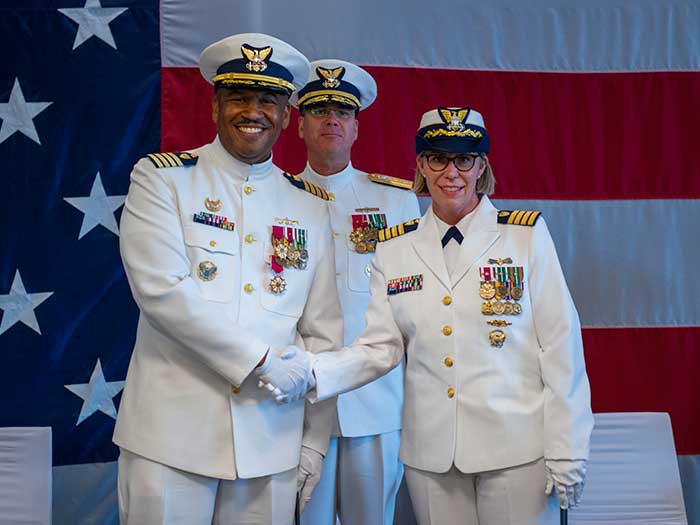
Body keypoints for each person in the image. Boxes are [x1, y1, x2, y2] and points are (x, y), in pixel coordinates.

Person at [264, 105, 594, 524]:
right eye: (437, 158)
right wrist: (313, 370)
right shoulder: (395, 247)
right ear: (421, 164)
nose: (450, 173)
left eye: (464, 159)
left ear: (482, 166)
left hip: (517, 450)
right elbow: (380, 348)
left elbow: (561, 346)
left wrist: (568, 447)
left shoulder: (524, 236)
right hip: (432, 455)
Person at [113, 33, 342, 525]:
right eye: (238, 97)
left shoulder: (309, 205)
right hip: (171, 437)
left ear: (286, 115)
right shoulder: (163, 179)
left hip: (272, 441)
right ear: (216, 106)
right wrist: (259, 360)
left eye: (268, 100)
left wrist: (314, 441)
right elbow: (162, 291)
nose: (252, 111)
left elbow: (323, 331)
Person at [290, 59, 421, 524]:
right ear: (299, 123)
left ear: (356, 127)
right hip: (301, 398)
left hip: (376, 397)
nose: (331, 120)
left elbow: (413, 299)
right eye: (320, 110)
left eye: (342, 112)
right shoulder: (276, 197)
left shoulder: (395, 199)